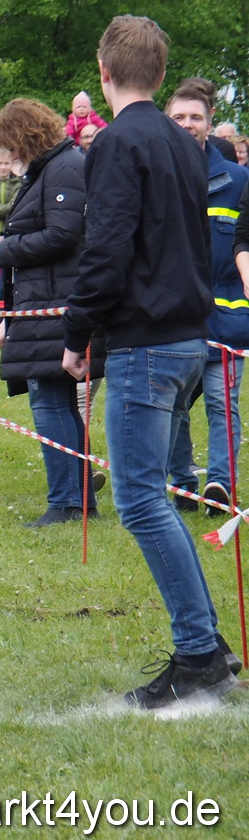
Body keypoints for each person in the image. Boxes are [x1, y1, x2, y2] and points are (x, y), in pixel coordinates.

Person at [65, 15, 239, 709]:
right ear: (162, 76)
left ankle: (198, 650)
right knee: (153, 497)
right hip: (188, 335)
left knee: (140, 500)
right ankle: (208, 644)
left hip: (146, 343)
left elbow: (105, 248)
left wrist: (78, 332)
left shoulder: (117, 143)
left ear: (103, 73)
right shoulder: (183, 141)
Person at [0, 99, 101, 527]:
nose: (8, 155)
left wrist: (6, 249)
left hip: (55, 303)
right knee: (55, 400)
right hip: (43, 302)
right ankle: (79, 500)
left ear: (25, 135)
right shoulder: (52, 168)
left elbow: (64, 234)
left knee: (49, 402)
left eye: (10, 145)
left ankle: (68, 502)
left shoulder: (65, 166)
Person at [167, 79, 248, 518]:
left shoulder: (238, 180)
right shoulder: (156, 175)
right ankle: (182, 481)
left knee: (222, 403)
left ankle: (220, 482)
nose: (187, 124)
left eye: (195, 116)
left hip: (227, 314)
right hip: (175, 315)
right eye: (178, 117)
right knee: (175, 405)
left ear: (209, 122)